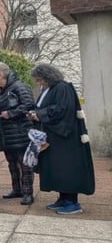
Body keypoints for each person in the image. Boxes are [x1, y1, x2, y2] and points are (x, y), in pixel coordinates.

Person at [28, 63, 95, 215]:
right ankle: (63, 198)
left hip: (66, 138)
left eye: (40, 80)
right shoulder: (50, 89)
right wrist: (35, 113)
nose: (39, 83)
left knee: (67, 169)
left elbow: (62, 109)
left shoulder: (62, 88)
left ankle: (72, 202)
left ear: (48, 77)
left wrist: (40, 115)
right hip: (55, 136)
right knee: (57, 168)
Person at [0, 62, 36, 205]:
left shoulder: (19, 87)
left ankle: (28, 193)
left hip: (21, 133)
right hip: (5, 135)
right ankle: (17, 189)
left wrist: (11, 113)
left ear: (1, 74)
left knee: (25, 165)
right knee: (12, 164)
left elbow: (29, 105)